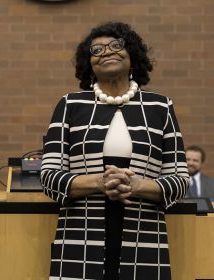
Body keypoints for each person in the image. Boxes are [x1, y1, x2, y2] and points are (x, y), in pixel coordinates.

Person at [40, 22, 189, 280]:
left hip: (144, 237)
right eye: (96, 49)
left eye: (116, 45)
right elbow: (49, 177)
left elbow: (179, 180)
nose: (106, 52)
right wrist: (100, 182)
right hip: (80, 237)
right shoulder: (70, 105)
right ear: (89, 64)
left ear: (132, 55)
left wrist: (138, 186)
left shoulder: (160, 107)